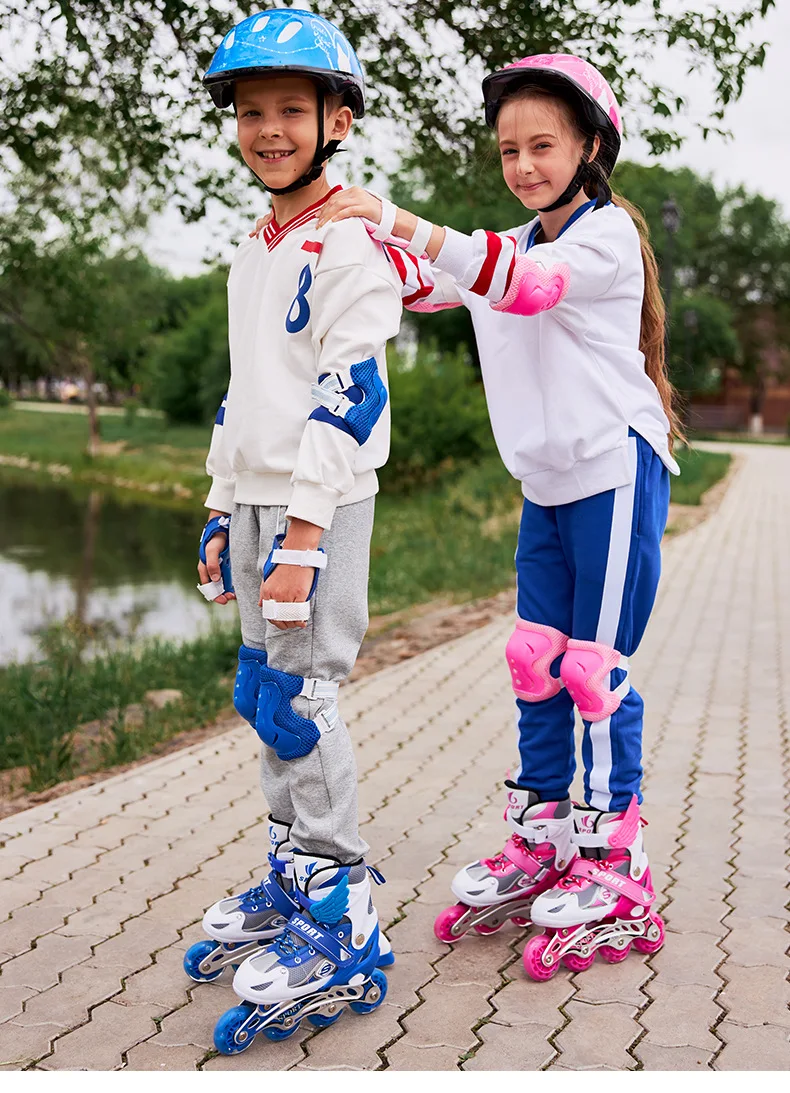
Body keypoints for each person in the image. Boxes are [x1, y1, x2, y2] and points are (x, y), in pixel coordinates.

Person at [316, 54, 679, 980]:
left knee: (594, 670)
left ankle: (613, 859)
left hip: (613, 471)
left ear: (589, 147)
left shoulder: (603, 239)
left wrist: (397, 216)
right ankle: (542, 835)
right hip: (545, 483)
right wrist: (339, 233)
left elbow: (523, 283)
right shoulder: (509, 242)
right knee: (534, 660)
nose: (523, 165)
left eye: (542, 146)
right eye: (510, 149)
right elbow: (427, 282)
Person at [184, 9, 402, 1051]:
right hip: (259, 496)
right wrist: (220, 503)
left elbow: (350, 394)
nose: (268, 129)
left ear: (336, 122)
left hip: (324, 497)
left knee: (304, 699)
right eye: (250, 112)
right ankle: (292, 870)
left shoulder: (349, 240)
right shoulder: (252, 248)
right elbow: (245, 393)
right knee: (261, 695)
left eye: (288, 110)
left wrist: (305, 533)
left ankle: (343, 905)